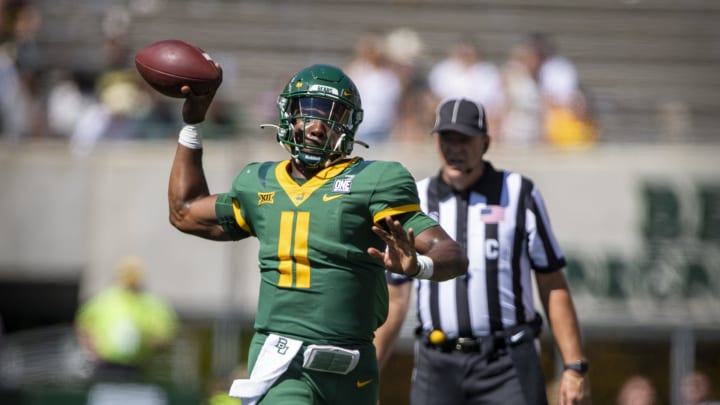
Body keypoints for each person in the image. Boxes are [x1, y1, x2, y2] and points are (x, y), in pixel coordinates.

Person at [166, 63, 467, 405]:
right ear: (288, 117)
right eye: (306, 113)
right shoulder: (258, 182)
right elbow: (185, 211)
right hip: (285, 358)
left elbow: (452, 255)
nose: (316, 127)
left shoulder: (375, 180)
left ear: (349, 124)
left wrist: (418, 267)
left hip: (354, 365)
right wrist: (192, 124)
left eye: (330, 115)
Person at [374, 98, 590, 405]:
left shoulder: (518, 193)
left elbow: (551, 281)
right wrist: (368, 373)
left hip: (507, 361)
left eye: (464, 139)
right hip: (437, 363)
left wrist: (574, 365)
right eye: (447, 138)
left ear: (485, 142)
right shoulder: (416, 197)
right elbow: (396, 298)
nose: (454, 148)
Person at [75, 256, 178, 383]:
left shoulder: (152, 303)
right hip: (106, 366)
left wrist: (151, 348)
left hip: (140, 367)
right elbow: (83, 326)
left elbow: (166, 333)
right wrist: (94, 351)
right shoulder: (104, 300)